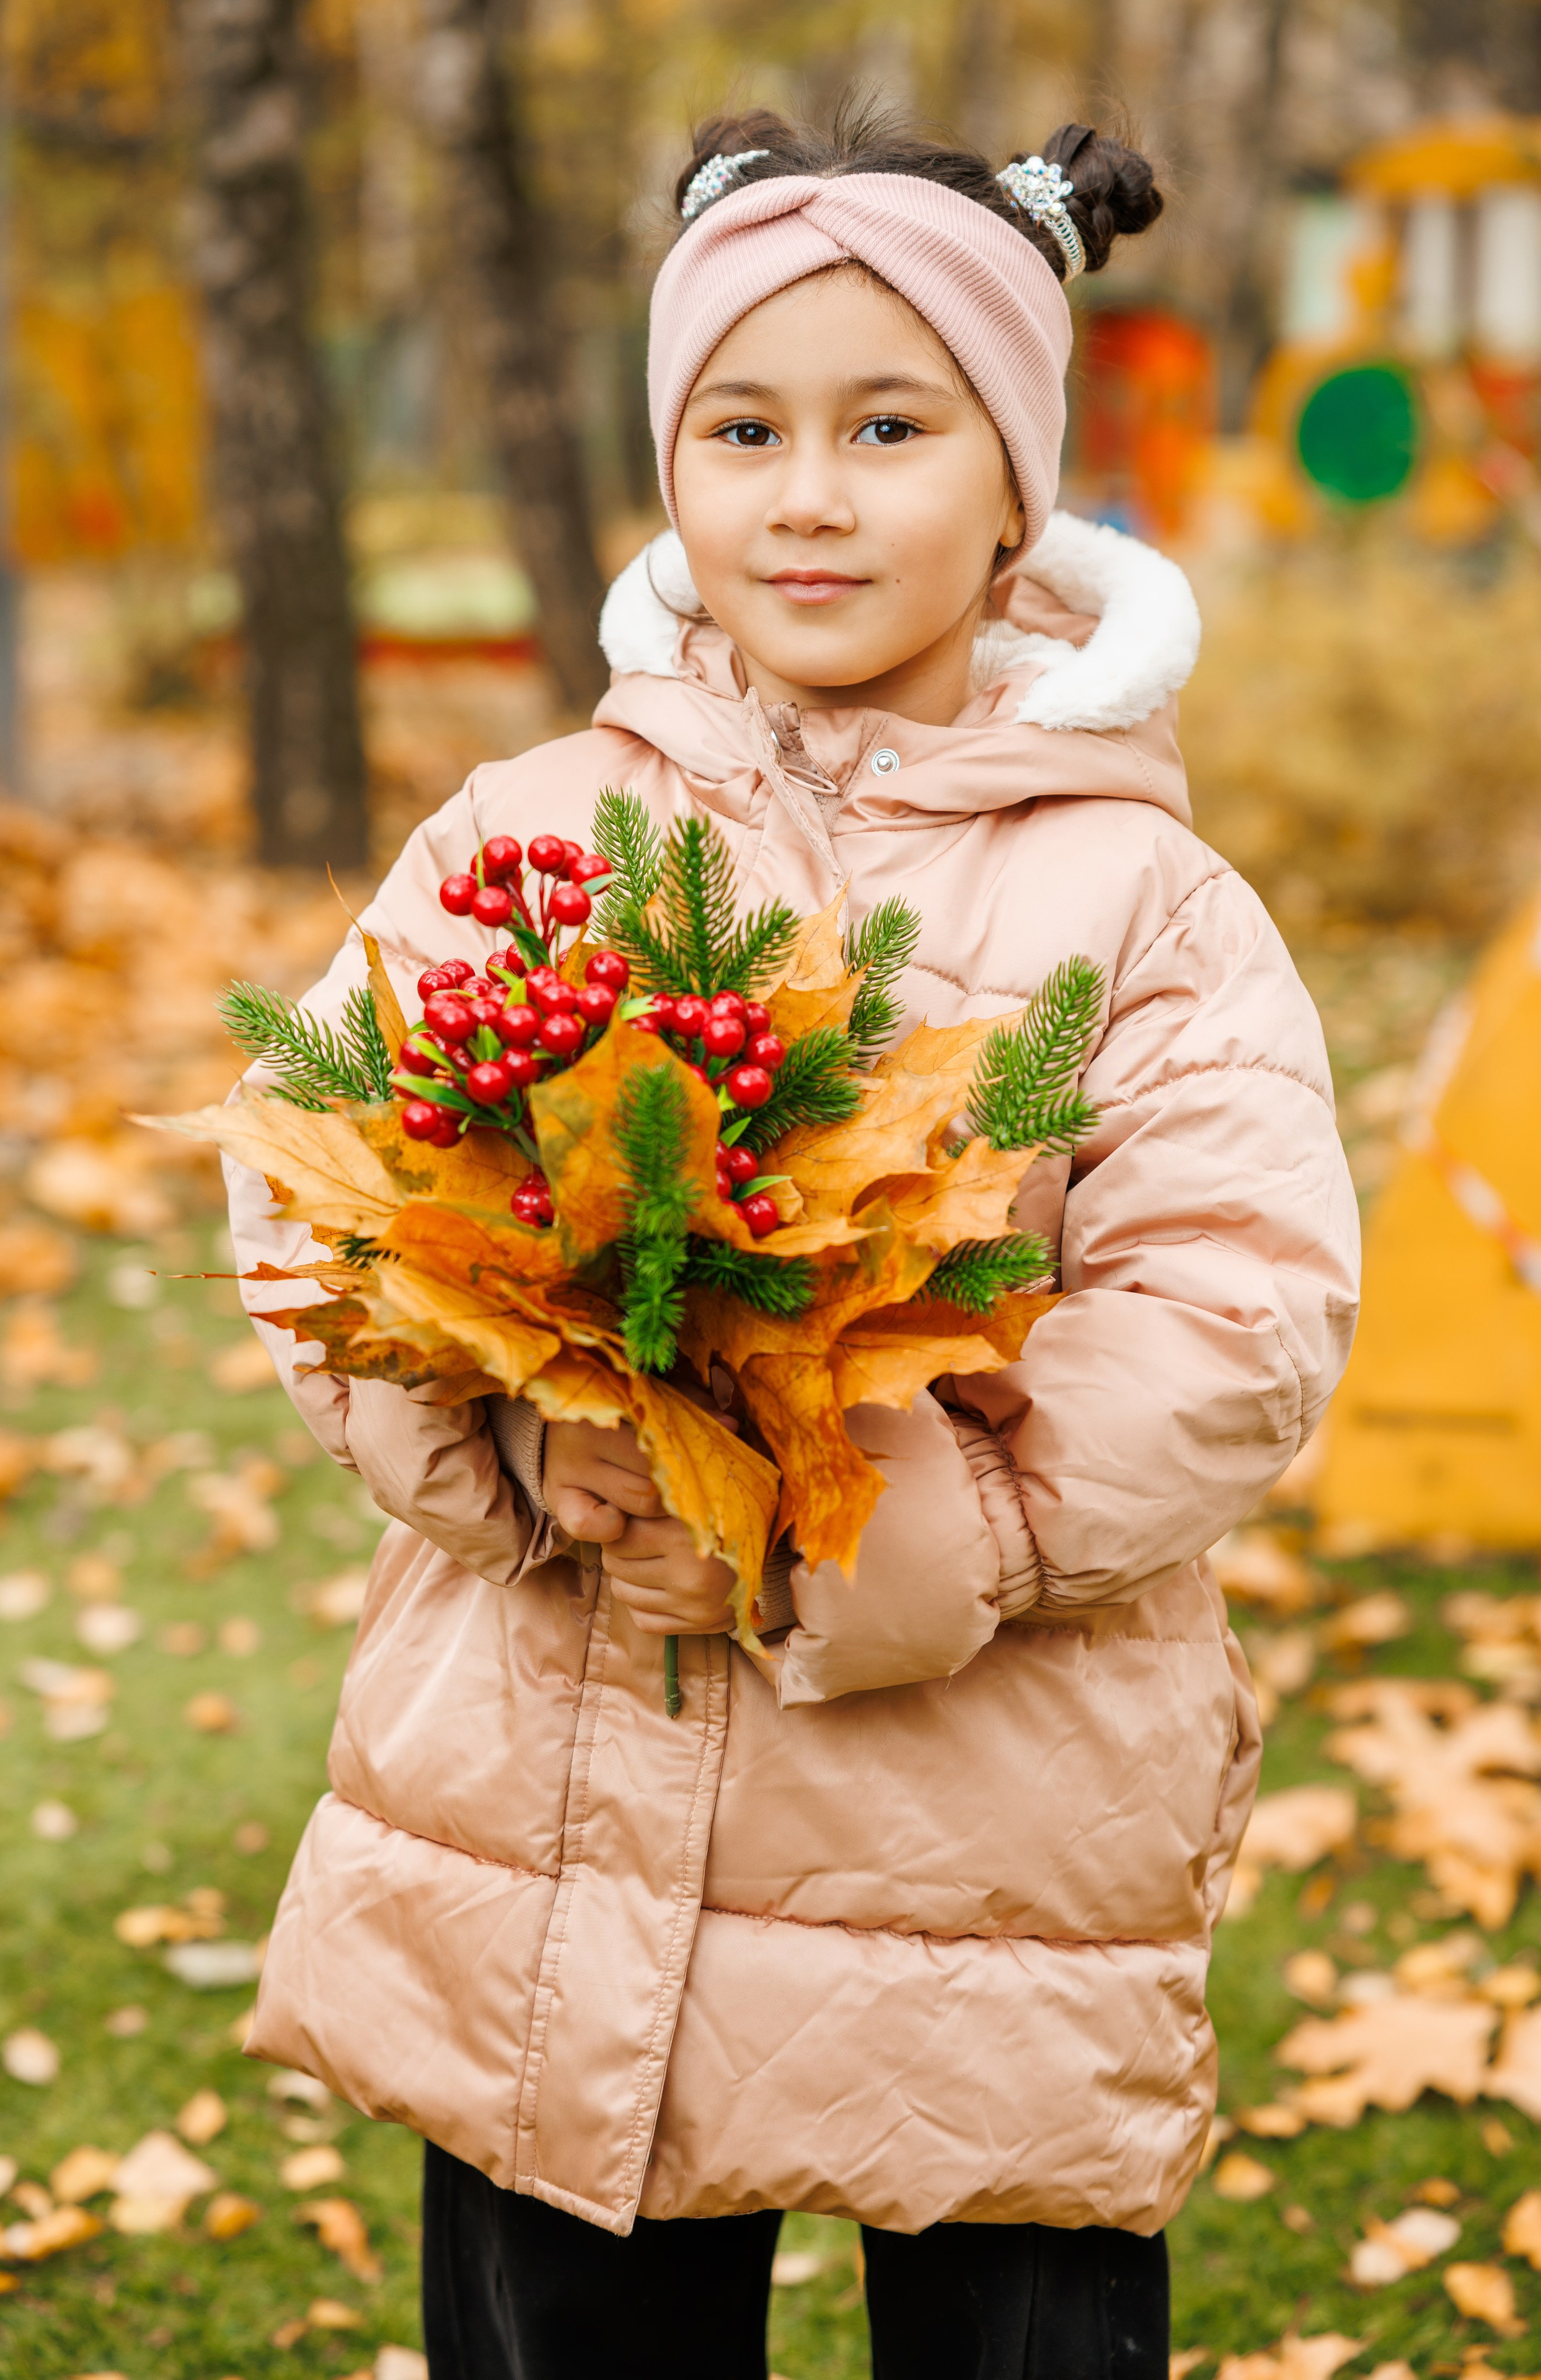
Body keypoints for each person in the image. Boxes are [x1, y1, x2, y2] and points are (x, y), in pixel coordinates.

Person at [225, 103, 1361, 2380]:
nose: (809, 493)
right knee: (582, 2316)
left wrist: (853, 1528)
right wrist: (543, 1461)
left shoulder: (1138, 903)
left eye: (888, 425)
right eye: (743, 427)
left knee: (1006, 2315)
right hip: (563, 1803)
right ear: (676, 464)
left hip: (989, 1818)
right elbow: (317, 1183)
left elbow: (1233, 1313)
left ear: (1017, 479)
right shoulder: (527, 836)